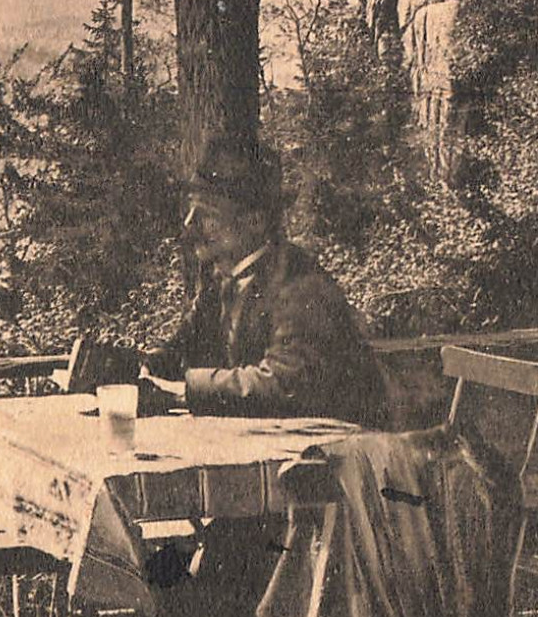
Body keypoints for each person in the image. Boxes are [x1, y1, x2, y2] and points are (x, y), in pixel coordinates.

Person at [139, 136, 390, 430]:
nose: (188, 224)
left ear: (255, 223)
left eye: (206, 215)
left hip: (340, 453)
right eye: (190, 211)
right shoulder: (221, 276)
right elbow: (185, 345)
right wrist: (149, 367)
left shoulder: (301, 285)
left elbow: (285, 382)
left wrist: (187, 391)